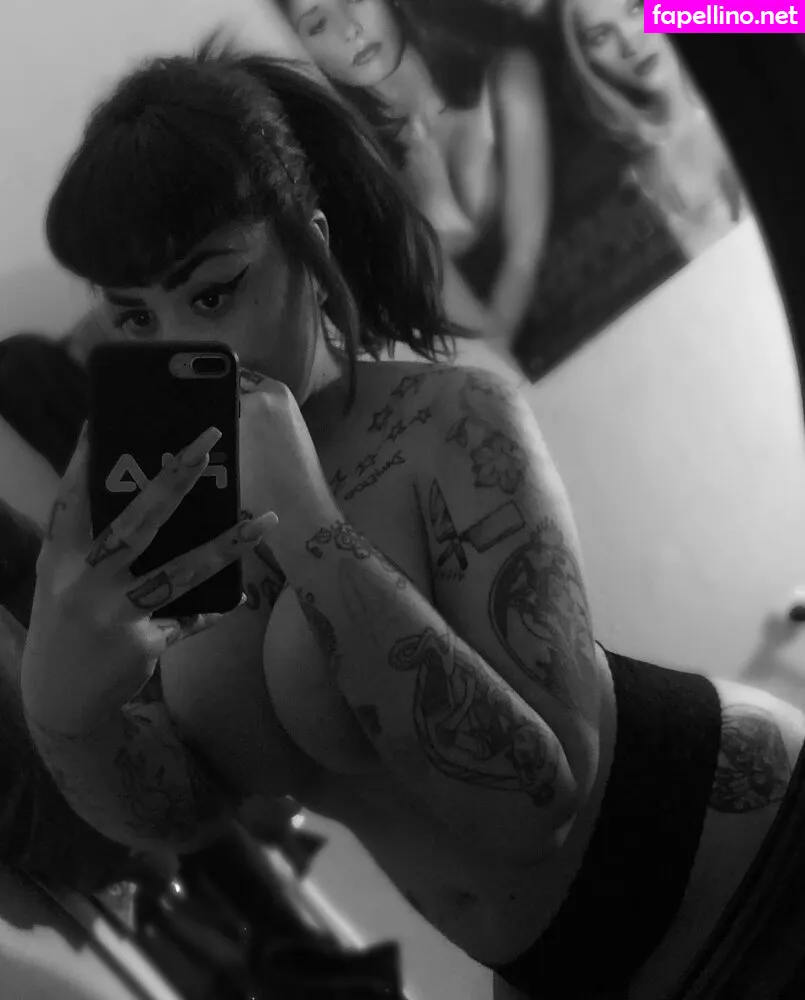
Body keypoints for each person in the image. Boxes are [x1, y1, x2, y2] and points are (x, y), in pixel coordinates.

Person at [20, 39, 805, 1000]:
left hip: (749, 865)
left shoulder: (453, 420)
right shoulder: (176, 526)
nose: (181, 346)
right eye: (135, 318)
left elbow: (540, 806)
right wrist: (64, 710)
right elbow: (186, 812)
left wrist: (309, 525)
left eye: (212, 292)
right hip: (562, 972)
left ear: (310, 247)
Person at [277, 0, 552, 351]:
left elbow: (524, 257)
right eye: (317, 25)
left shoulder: (507, 75)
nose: (349, 30)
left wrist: (499, 355)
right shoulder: (352, 166)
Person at [560, 0, 745, 258]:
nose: (630, 42)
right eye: (601, 36)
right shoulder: (625, 179)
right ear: (587, 61)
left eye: (638, 8)